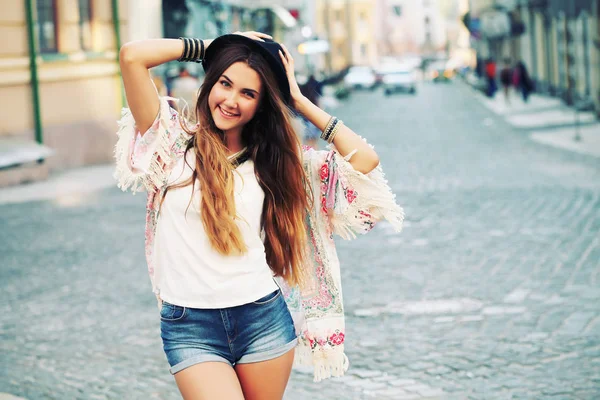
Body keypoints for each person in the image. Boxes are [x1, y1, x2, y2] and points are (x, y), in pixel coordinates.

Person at [114, 31, 404, 399]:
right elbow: (132, 57)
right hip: (190, 327)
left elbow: (364, 161)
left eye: (248, 93)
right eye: (225, 84)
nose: (231, 100)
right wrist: (215, 44)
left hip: (261, 319)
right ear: (211, 83)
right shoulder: (171, 145)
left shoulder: (278, 166)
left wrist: (297, 99)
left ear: (261, 104)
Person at [299, 74, 323, 149]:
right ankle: (314, 156)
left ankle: (312, 157)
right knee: (314, 142)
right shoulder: (314, 95)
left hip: (307, 121)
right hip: (315, 120)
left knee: (309, 143)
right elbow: (320, 106)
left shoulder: (303, 96)